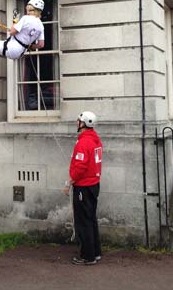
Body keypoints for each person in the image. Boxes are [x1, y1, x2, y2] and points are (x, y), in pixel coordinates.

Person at [65, 111, 103, 265]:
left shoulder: (83, 143)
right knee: (91, 219)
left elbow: (80, 167)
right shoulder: (95, 140)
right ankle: (95, 252)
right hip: (93, 185)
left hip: (83, 187)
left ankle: (87, 256)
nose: (77, 122)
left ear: (83, 123)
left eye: (78, 120)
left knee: (83, 222)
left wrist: (69, 182)